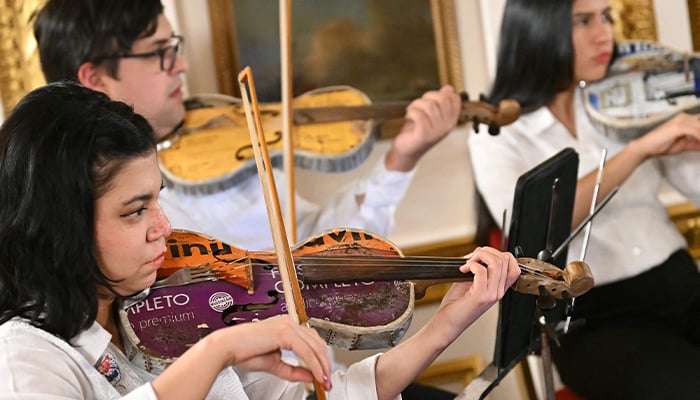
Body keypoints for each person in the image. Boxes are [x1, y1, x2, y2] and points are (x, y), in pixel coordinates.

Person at [0, 81, 519, 399]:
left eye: (158, 199)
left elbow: (330, 396)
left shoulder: (172, 306)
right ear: (60, 222)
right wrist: (218, 352)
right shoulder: (26, 360)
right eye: (136, 211)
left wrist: (447, 324)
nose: (164, 227)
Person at [33, 0, 461, 251]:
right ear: (95, 78)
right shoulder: (83, 218)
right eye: (160, 52)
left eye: (174, 47)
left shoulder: (224, 137)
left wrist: (400, 159)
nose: (181, 65)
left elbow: (317, 248)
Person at [469, 0, 700, 399]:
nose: (604, 32)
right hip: (592, 318)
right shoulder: (497, 133)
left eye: (606, 16)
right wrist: (639, 149)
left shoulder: (627, 97)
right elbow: (539, 225)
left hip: (681, 284)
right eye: (583, 20)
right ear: (538, 30)